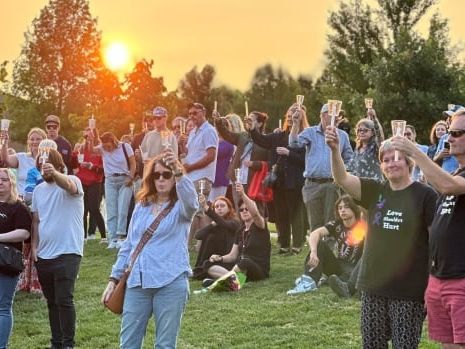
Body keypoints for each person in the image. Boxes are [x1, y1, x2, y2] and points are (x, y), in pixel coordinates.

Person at [326, 125, 437, 349]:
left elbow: (436, 243)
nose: (391, 163)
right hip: (373, 285)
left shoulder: (425, 195)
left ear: (408, 162)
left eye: (396, 158)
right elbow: (342, 179)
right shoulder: (375, 191)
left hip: (409, 289)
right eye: (385, 160)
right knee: (372, 345)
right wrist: (335, 150)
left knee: (404, 346)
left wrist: (431, 283)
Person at [101, 150, 199, 349]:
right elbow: (129, 245)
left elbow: (192, 202)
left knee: (164, 345)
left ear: (174, 178)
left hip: (170, 281)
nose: (161, 179)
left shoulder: (181, 208)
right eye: (156, 175)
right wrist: (114, 279)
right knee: (128, 344)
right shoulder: (141, 206)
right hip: (138, 282)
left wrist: (179, 172)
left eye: (167, 174)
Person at [391, 108, 465, 349]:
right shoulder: (455, 173)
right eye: (449, 132)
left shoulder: (453, 181)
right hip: (440, 278)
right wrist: (432, 281)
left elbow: (447, 186)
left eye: (456, 132)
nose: (449, 138)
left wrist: (413, 150)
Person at [30, 149, 84, 349]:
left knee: (64, 299)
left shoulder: (72, 180)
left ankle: (68, 344)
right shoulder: (38, 191)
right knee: (52, 302)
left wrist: (55, 173)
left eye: (49, 163)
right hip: (43, 255)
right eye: (42, 164)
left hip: (68, 251)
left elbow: (68, 186)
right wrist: (34, 247)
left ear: (58, 165)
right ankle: (56, 343)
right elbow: (36, 221)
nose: (44, 167)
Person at [249, 103, 307, 254]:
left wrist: (289, 153)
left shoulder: (305, 136)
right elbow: (262, 140)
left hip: (295, 180)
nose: (290, 119)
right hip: (279, 180)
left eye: (294, 116)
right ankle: (283, 244)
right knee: (281, 214)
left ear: (300, 118)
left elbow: (305, 159)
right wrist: (252, 129)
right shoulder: (278, 136)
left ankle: (297, 245)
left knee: (295, 213)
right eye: (288, 116)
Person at [289, 103, 354, 232]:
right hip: (312, 185)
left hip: (333, 185)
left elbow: (350, 160)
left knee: (331, 223)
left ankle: (329, 251)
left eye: (338, 113)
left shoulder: (342, 135)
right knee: (315, 224)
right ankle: (316, 251)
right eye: (332, 113)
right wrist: (296, 124)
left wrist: (341, 172)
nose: (336, 116)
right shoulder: (310, 132)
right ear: (323, 116)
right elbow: (293, 143)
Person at [287, 195, 364, 296]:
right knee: (319, 244)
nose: (342, 210)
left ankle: (342, 283)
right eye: (340, 208)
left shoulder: (363, 226)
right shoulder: (337, 224)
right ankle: (309, 281)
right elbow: (315, 233)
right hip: (339, 266)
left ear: (354, 208)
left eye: (346, 207)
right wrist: (314, 252)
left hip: (355, 269)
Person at [205, 183, 271, 285]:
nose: (244, 211)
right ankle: (233, 280)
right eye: (241, 209)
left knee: (245, 262)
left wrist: (242, 195)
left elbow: (255, 214)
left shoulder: (260, 225)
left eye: (247, 209)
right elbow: (232, 256)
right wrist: (220, 258)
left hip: (257, 269)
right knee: (209, 264)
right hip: (239, 268)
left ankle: (225, 281)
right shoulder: (240, 231)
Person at [0, 168, 32, 349]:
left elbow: (24, 233)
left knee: (3, 306)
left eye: (4, 179)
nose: (0, 182)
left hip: (7, 262)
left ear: (11, 182)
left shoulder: (18, 207)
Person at [183, 102, 219, 243]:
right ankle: (196, 243)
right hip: (191, 176)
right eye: (190, 113)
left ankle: (204, 243)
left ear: (203, 112)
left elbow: (210, 156)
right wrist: (181, 144)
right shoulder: (193, 132)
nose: (192, 116)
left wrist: (191, 167)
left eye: (195, 113)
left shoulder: (209, 130)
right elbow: (191, 153)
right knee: (196, 211)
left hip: (203, 176)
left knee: (199, 211)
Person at [97, 132, 136, 248]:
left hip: (125, 179)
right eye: (105, 147)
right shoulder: (102, 148)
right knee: (111, 210)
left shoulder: (125, 147)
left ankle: (121, 236)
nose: (107, 149)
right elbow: (90, 149)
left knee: (122, 209)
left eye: (108, 146)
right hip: (110, 180)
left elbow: (133, 164)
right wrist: (90, 135)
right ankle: (112, 238)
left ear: (113, 141)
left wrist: (131, 176)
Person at [192, 195, 240, 280]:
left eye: (222, 206)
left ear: (229, 208)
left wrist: (207, 208)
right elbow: (198, 236)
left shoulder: (234, 223)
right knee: (210, 236)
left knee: (212, 237)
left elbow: (224, 224)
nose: (219, 208)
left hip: (226, 259)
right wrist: (211, 225)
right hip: (211, 259)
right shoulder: (214, 225)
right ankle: (204, 268)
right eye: (216, 206)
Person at [72, 128, 106, 241]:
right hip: (82, 181)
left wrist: (92, 166)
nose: (88, 139)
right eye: (86, 136)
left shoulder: (99, 150)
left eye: (90, 136)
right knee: (83, 209)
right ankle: (83, 236)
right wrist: (76, 163)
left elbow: (104, 169)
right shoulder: (81, 149)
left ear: (95, 137)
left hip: (95, 182)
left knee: (94, 209)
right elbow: (73, 163)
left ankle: (103, 236)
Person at [0, 127, 47, 200]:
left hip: (42, 200)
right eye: (32, 139)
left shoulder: (49, 160)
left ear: (44, 141)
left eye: (38, 139)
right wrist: (4, 143)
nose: (35, 142)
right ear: (28, 141)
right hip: (22, 202)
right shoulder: (21, 157)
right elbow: (5, 159)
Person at [347, 117, 383, 182]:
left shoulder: (376, 147)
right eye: (360, 130)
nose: (362, 132)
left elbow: (379, 135)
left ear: (372, 133)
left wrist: (374, 117)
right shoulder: (357, 149)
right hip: (359, 186)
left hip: (375, 185)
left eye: (365, 130)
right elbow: (351, 168)